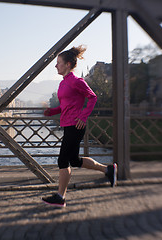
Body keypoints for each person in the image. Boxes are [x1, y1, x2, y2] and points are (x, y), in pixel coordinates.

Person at [42, 45, 117, 208]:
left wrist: (83, 116)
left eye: (58, 63)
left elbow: (92, 97)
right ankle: (108, 170)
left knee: (62, 160)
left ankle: (61, 197)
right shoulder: (63, 84)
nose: (56, 66)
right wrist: (52, 111)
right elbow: (65, 106)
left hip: (76, 125)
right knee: (74, 161)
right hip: (67, 124)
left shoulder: (77, 81)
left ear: (68, 64)